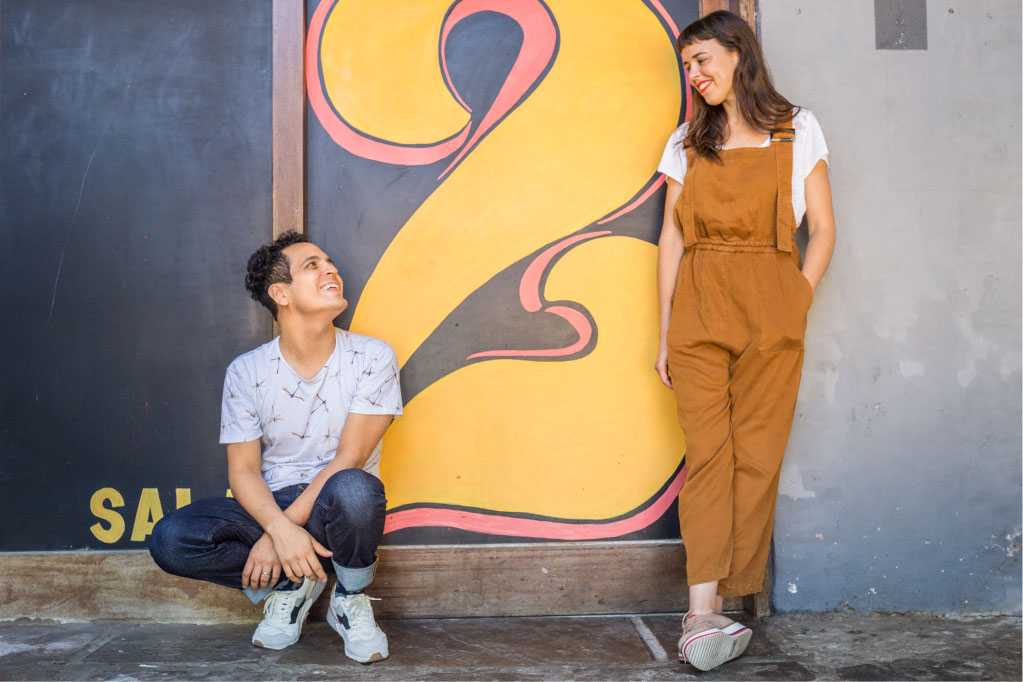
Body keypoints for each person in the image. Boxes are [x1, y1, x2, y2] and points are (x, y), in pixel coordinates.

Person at [654, 10, 836, 672]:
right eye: (686, 66)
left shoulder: (797, 128)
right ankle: (700, 613)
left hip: (771, 305)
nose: (694, 75)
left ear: (737, 53)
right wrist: (665, 330)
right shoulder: (685, 141)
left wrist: (796, 299)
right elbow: (671, 237)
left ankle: (725, 605)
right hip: (700, 307)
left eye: (701, 60)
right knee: (707, 454)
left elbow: (823, 228)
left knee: (756, 455)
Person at [149, 231, 402, 663]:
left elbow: (350, 458)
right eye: (312, 265)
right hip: (271, 503)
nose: (331, 269)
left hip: (337, 509)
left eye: (329, 262)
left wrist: (279, 534)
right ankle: (294, 584)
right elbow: (243, 471)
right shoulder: (246, 372)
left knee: (355, 486)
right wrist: (278, 530)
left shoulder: (373, 357)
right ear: (280, 293)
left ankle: (349, 597)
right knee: (170, 540)